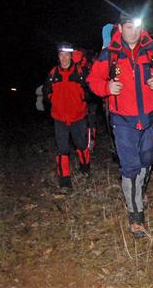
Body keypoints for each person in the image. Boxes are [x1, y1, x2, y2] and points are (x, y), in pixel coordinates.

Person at [87, 12, 153, 238]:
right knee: (131, 167)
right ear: (120, 28)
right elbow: (93, 80)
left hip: (149, 119)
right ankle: (136, 217)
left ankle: (139, 191)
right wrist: (106, 88)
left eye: (136, 26)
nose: (132, 31)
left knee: (147, 161)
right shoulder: (110, 54)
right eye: (128, 27)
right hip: (122, 120)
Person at [43, 42, 91, 194]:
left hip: (78, 117)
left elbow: (89, 92)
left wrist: (81, 100)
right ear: (58, 56)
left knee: (81, 145)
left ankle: (85, 168)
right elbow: (46, 93)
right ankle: (65, 181)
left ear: (71, 56)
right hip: (59, 118)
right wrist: (53, 102)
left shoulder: (79, 72)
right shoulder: (53, 74)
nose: (63, 58)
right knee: (62, 149)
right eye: (61, 55)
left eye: (66, 55)